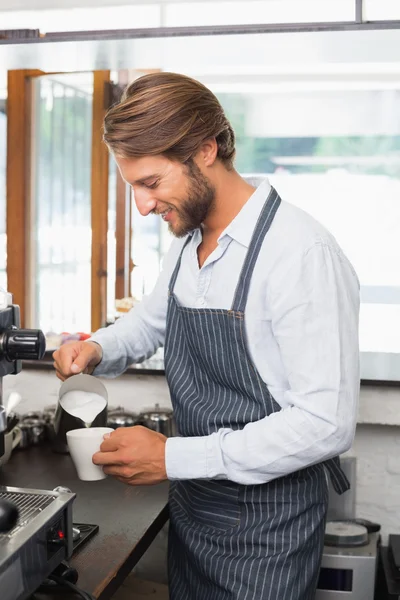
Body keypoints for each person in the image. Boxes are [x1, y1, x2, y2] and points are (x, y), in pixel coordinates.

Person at [53, 72, 360, 600]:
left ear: (205, 150)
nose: (143, 207)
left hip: (269, 535)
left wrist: (172, 458)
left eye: (150, 183)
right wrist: (98, 347)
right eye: (133, 188)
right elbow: (152, 320)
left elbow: (324, 424)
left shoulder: (299, 253)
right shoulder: (190, 240)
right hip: (195, 516)